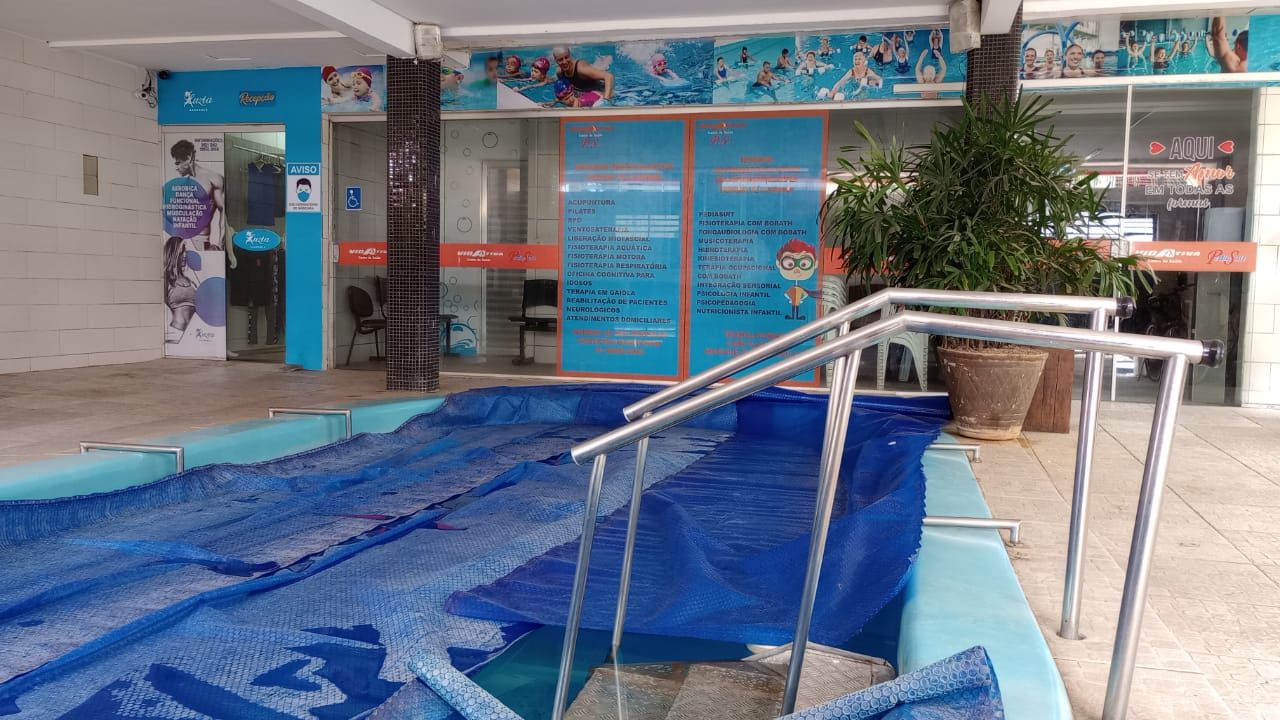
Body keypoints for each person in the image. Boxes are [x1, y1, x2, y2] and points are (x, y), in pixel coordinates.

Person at [168, 139, 233, 269]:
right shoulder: (183, 184)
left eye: (178, 163)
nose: (176, 167)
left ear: (189, 158)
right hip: (183, 243)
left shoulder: (213, 179)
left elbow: (223, 213)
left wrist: (221, 246)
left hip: (201, 241)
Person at [163, 236, 200, 344]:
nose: (184, 256)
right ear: (173, 254)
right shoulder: (166, 280)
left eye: (185, 252)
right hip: (176, 333)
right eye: (181, 252)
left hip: (195, 333)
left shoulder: (190, 280)